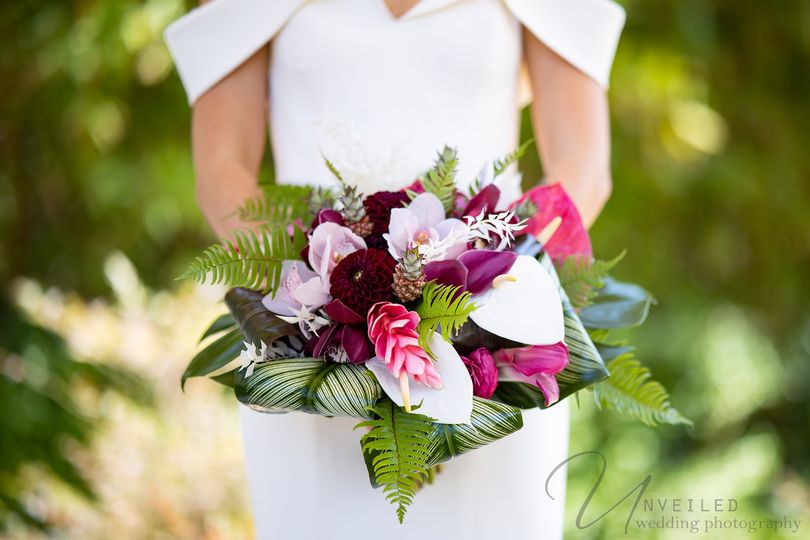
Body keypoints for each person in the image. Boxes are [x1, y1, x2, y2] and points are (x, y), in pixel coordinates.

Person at [165, 1, 624, 538]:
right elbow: (222, 170)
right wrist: (311, 298)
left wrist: (485, 302)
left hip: (494, 354)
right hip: (314, 352)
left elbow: (583, 168)